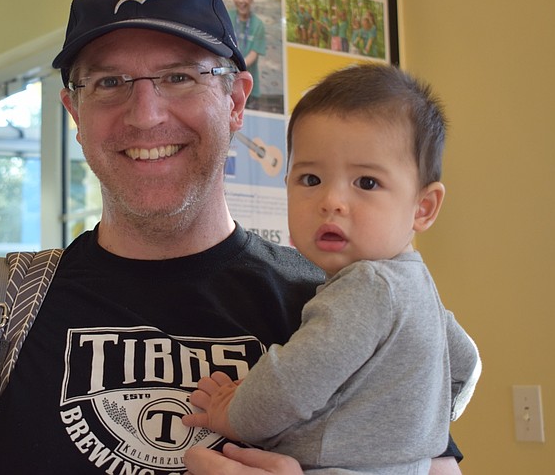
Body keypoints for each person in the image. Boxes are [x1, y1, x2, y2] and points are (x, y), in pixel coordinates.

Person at [0, 0, 465, 475]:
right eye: (109, 82)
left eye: (179, 76)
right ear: (74, 110)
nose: (145, 116)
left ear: (236, 100)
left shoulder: (339, 300)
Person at [182, 64, 480, 473]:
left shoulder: (366, 286)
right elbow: (466, 361)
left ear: (422, 207)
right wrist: (417, 420)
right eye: (310, 179)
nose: (332, 201)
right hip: (410, 465)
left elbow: (290, 384)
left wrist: (230, 415)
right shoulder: (417, 284)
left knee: (199, 460)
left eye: (367, 183)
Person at [228, 0, 266, 98]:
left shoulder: (258, 25)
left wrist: (236, 68)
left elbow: (253, 55)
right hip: (229, 82)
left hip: (249, 86)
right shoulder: (227, 18)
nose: (240, 0)